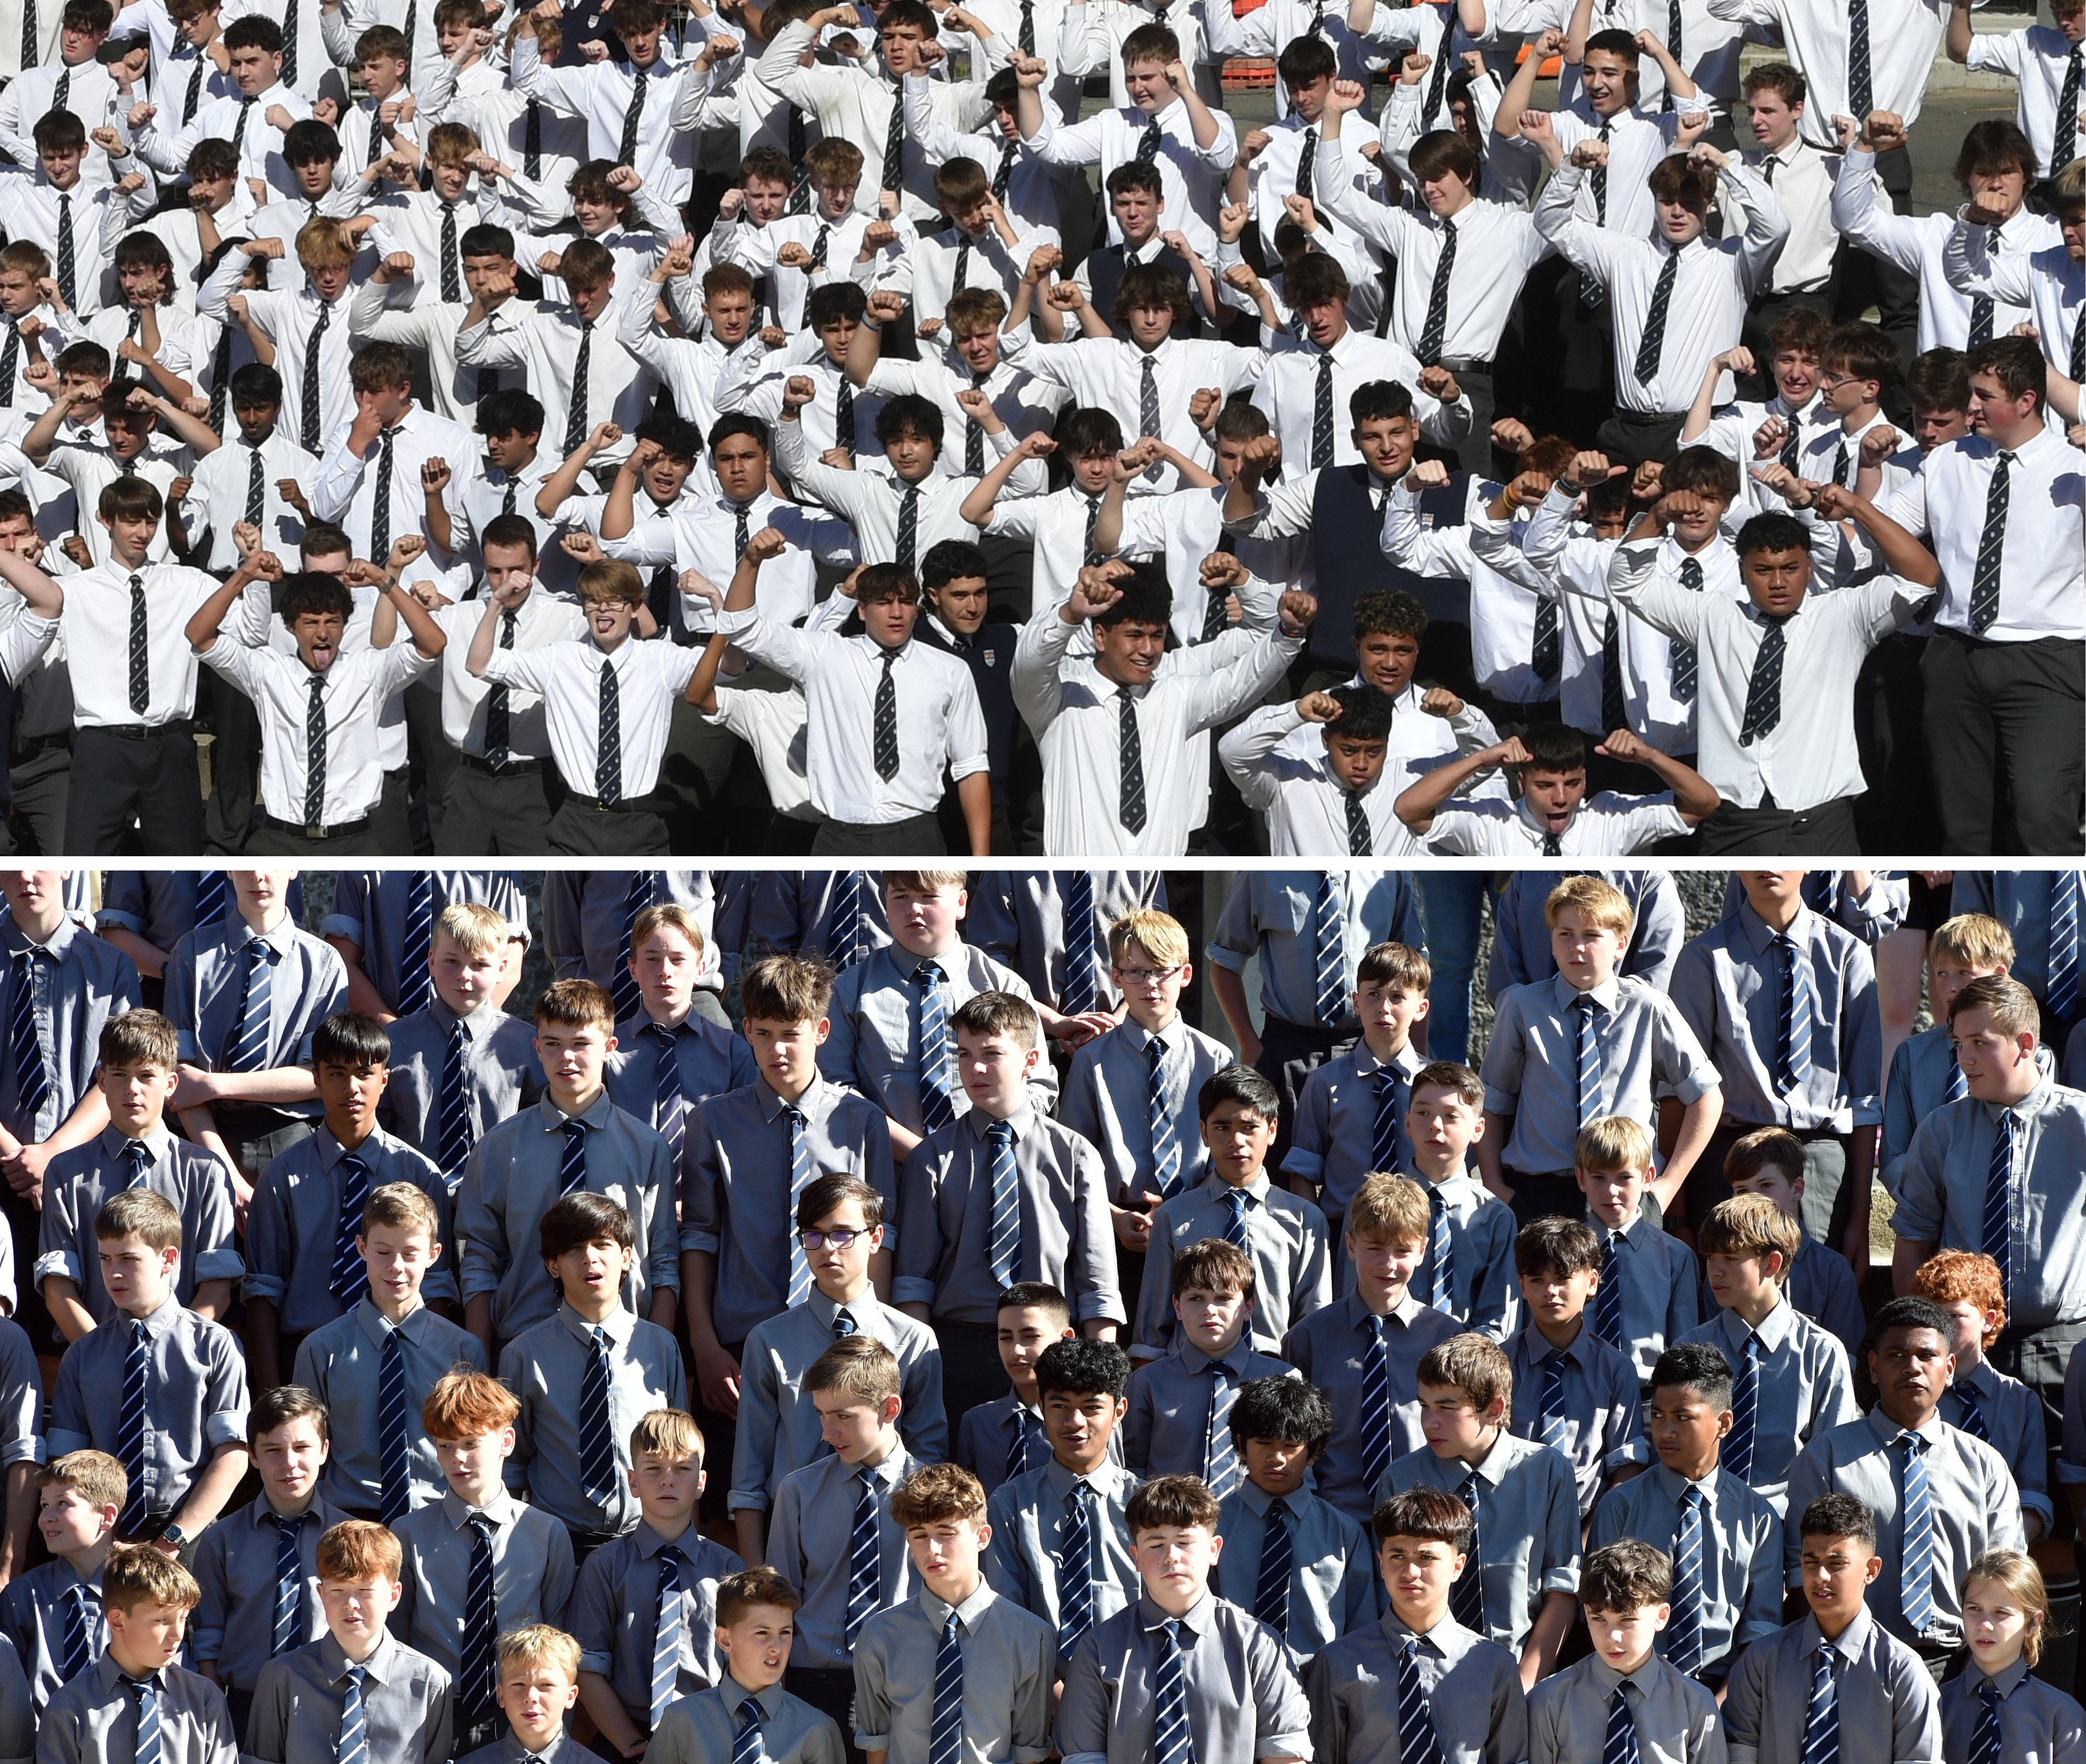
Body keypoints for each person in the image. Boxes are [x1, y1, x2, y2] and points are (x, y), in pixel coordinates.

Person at [896, 992, 1121, 1429]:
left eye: (991, 1054)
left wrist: (1102, 1372)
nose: (974, 1069)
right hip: (960, 1346)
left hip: (1054, 1347)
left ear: (1031, 1060)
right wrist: (921, 1369)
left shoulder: (1074, 1155)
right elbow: (913, 1280)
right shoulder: (933, 1157)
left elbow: (1097, 1280)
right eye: (964, 1054)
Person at [1785, 1294, 2024, 1662]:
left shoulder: (1985, 1466)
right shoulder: (1827, 1458)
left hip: (1961, 1663)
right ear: (1874, 1367)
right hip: (1858, 1659)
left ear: (1949, 1369)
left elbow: (2007, 1576)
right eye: (1897, 1355)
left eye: (1926, 1356)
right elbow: (1802, 1575)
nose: (1912, 1367)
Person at [1479, 874, 1722, 1224]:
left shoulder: (1648, 1006)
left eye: (1592, 936)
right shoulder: (1520, 1006)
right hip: (1539, 1194)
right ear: (1552, 941)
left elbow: (1707, 1096)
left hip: (1625, 1195)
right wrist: (1497, 1189)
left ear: (1621, 943)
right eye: (1565, 935)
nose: (1577, 948)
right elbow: (1492, 1101)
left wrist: (1667, 1187)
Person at [456, 979, 677, 1358]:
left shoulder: (646, 1147)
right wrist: (480, 1356)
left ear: (610, 1049)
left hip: (625, 1347)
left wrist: (656, 1349)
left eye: (581, 1044)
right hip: (524, 1342)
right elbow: (479, 1258)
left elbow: (662, 1261)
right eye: (554, 1045)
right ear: (537, 1049)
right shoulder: (499, 1147)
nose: (567, 1058)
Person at [1670, 870, 1882, 1256]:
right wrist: (1678, 1215)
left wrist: (1859, 1220)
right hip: (1728, 1157)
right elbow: (1679, 1091)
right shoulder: (1704, 957)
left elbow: (1865, 1098)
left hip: (1819, 1161)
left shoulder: (1849, 955)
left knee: (1816, 1292)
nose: (1768, 865)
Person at [244, 1013, 457, 1391]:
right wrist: (272, 1392)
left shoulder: (420, 1174)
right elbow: (263, 1289)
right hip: (307, 1356)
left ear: (385, 1080)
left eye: (364, 1073)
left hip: (403, 1354)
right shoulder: (283, 1176)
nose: (352, 1087)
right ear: (317, 1079)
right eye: (337, 1073)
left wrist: (438, 1373)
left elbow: (437, 1283)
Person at [1054, 1474, 1310, 1764]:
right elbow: (1084, 1758)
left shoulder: (1258, 1647)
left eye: (1185, 1541)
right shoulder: (1098, 1650)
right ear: (1136, 1557)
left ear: (1214, 1550)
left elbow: (1286, 1756)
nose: (1172, 1556)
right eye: (1156, 1544)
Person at [49, 1191, 250, 1551]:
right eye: (105, 1259)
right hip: (102, 1535)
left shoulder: (215, 1346)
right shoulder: (83, 1356)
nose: (114, 1273)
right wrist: (100, 1542)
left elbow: (233, 1455)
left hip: (190, 1533)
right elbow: (65, 1465)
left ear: (168, 1259)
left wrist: (171, 1543)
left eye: (129, 1258)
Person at [394, 1371, 578, 1756]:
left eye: (471, 1443)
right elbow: (396, 1638)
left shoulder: (546, 1533)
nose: (457, 1459)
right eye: (445, 1446)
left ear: (506, 1442)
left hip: (517, 1713)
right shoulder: (408, 1534)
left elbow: (560, 1647)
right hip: (432, 1711)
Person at [1385, 1333, 1580, 1690]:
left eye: (1446, 1408)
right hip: (1422, 1678)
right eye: (1424, 1406)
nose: (1429, 1422)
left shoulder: (1549, 1472)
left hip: (1518, 1675)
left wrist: (1523, 1686)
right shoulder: (1400, 1479)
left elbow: (1562, 1589)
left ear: (1494, 1410)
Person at [498, 1192, 688, 1550]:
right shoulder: (524, 1356)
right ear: (553, 1265)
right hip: (559, 1546)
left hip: (645, 1542)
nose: (590, 1258)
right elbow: (511, 1467)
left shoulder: (660, 1348)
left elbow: (682, 1454)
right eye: (574, 1250)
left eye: (603, 1244)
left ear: (628, 1257)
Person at [1588, 1343, 1784, 1689]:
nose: (1665, 1431)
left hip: (1725, 1691)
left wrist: (1721, 1704)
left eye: (1682, 1418)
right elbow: (1602, 1616)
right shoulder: (1620, 1506)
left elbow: (1760, 1632)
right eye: (1658, 1415)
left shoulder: (1758, 1518)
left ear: (1723, 1423)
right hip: (1632, 1685)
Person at [37, 1009, 240, 1338]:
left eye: (146, 1076)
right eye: (119, 1075)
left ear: (171, 1083)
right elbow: (58, 1287)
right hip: (93, 1358)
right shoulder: (65, 1172)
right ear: (101, 1081)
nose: (133, 1089)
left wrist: (172, 1352)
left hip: (181, 1359)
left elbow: (217, 1287)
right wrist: (105, 1358)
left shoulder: (205, 1172)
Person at [293, 1184, 488, 1522]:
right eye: (383, 1252)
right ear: (361, 1248)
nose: (396, 1266)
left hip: (440, 1519)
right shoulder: (321, 1350)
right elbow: (307, 1449)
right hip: (349, 1519)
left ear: (434, 1254)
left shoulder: (462, 1350)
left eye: (410, 1253)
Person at [765, 1336, 920, 1750]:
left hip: (906, 1683)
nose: (826, 1433)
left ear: (890, 1409)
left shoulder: (933, 1494)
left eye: (842, 1417)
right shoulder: (798, 1491)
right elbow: (780, 1600)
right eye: (820, 1415)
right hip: (812, 1684)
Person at [1282, 1173, 1461, 1526]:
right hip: (1331, 1517)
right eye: (1375, 1248)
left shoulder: (1447, 1338)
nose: (1388, 1264)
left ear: (1423, 1251)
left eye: (1402, 1251)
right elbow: (1293, 1436)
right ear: (1350, 1245)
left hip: (1422, 1519)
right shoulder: (1308, 1340)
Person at [852, 1462, 1056, 1764]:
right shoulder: (880, 1636)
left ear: (982, 1537)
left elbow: (1030, 1750)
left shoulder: (1029, 1637)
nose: (932, 1550)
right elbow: (877, 1743)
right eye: (919, 1536)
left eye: (946, 1533)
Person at [565, 1407, 741, 1757]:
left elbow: (741, 1668)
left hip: (709, 1738)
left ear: (702, 1482)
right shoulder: (605, 1567)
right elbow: (586, 1668)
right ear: (633, 1482)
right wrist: (632, 1745)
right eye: (653, 1469)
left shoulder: (728, 1569)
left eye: (682, 1469)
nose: (667, 1480)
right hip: (624, 1739)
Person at [1306, 1482, 1526, 1764]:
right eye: (1398, 1556)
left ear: (1457, 1566)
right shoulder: (1338, 1662)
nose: (1410, 1572)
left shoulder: (1494, 1665)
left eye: (1426, 1558)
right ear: (1381, 1563)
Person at [1720, 1493, 1944, 1764]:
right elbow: (1739, 1753)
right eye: (1811, 1563)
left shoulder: (1902, 1671)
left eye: (1837, 1564)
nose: (1821, 1577)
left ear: (1871, 1570)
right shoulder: (1762, 1661)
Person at [1679, 1196, 1860, 1515]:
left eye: (1730, 1258)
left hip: (1788, 1525)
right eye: (1710, 1258)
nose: (1715, 1272)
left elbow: (1835, 1465)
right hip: (1700, 1517)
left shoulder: (1821, 1353)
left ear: (1771, 1264)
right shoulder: (1691, 1349)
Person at [1133, 1066, 1329, 1361]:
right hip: (1188, 1377)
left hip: (1272, 1378)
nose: (1236, 1141)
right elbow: (1152, 1330)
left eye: (1249, 1127)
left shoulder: (1304, 1221)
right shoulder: (1174, 1217)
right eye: (1222, 1128)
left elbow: (1314, 1323)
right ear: (1204, 1133)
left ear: (1272, 1130)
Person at [190, 1386, 342, 1737]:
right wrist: (214, 1700)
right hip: (244, 1704)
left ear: (324, 1451)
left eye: (302, 1448)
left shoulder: (352, 1537)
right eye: (273, 1450)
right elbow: (208, 1629)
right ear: (253, 1456)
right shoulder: (222, 1538)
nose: (289, 1463)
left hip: (328, 1701)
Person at [246, 1519, 454, 1764]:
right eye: (338, 1591)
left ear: (394, 1596)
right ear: (322, 1595)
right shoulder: (282, 1677)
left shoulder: (430, 1682)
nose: (351, 1604)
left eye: (365, 1591)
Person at [1282, 942, 1431, 1275]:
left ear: (1420, 1008)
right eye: (1374, 995)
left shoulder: (1436, 1086)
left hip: (1416, 1238)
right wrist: (1315, 1238)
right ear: (1357, 1002)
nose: (1384, 1007)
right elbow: (1304, 1170)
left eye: (1397, 997)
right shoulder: (1324, 1083)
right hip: (1343, 1237)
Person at [376, 903, 543, 1188]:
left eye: (479, 964)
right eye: (452, 962)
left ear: (502, 968)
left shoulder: (528, 1047)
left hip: (500, 1201)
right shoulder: (394, 1042)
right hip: (411, 1199)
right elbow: (379, 1130)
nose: (464, 975)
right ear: (431, 962)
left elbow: (540, 1133)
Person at [1211, 1375, 1373, 1667]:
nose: (1277, 1457)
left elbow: (1361, 1632)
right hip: (1229, 1681)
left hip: (1318, 1688)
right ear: (1241, 1444)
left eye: (1291, 1445)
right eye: (1264, 1443)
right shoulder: (1211, 1527)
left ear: (1313, 1451)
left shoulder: (1344, 1534)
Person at [1524, 1541, 1723, 1763]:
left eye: (1627, 1620)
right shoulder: (1549, 1702)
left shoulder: (1695, 1706)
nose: (1612, 1637)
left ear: (1662, 1617)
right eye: (1599, 1619)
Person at [1503, 1217, 1648, 1521]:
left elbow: (1627, 1464)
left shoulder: (1616, 1369)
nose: (1550, 1291)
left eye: (1563, 1278)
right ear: (1522, 1287)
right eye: (1537, 1280)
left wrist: (1590, 1538)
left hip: (1586, 1521)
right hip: (1508, 1518)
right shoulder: (1500, 1364)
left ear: (1592, 1282)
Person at [37, 1544, 235, 1764]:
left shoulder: (205, 1700)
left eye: (183, 1618)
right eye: (162, 1621)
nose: (178, 1635)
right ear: (117, 1621)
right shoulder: (69, 1708)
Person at [1122, 1239, 1291, 1483]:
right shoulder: (1148, 1383)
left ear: (1248, 1307)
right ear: (1178, 1307)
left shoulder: (1284, 1380)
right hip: (1170, 1518)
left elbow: (1300, 1473)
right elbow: (1130, 1472)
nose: (1210, 1310)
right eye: (1196, 1298)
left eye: (1223, 1298)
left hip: (1257, 1519)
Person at [643, 1568, 845, 1764]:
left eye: (785, 1633)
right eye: (762, 1633)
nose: (777, 1647)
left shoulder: (817, 1729)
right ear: (725, 1640)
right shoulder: (682, 1721)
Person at [1576, 1116, 1698, 1385]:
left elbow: (1684, 1346)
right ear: (1581, 1178)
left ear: (1647, 1178)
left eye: (1624, 1178)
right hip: (1576, 1390)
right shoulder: (1563, 1253)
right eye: (1599, 1177)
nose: (1611, 1191)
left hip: (1647, 1398)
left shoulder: (1676, 1257)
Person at [0, 1451, 125, 1714]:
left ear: (107, 1515)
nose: (46, 1518)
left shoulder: (142, 1591)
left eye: (63, 1504)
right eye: (44, 1506)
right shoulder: (22, 1597)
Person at [1941, 1548, 2086, 1760]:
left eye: (2001, 1613)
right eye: (1974, 1609)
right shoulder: (1937, 1703)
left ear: (2033, 1623)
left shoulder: (2063, 1716)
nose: (1984, 1625)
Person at [955, 1283, 1079, 1498]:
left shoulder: (1086, 1420)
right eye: (1006, 1337)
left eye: (1030, 1337)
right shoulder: (977, 1423)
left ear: (1065, 1339)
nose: (1016, 1351)